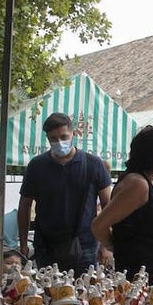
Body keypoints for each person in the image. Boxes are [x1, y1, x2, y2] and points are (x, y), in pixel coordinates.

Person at [19, 113, 113, 273]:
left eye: (63, 137)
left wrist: (106, 244)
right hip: (46, 246)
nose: (59, 142)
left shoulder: (93, 164)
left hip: (85, 245)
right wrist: (23, 244)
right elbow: (24, 206)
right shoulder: (37, 165)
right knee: (47, 288)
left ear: (73, 134)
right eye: (53, 139)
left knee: (84, 288)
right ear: (48, 139)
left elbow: (108, 206)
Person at [92, 126, 153, 278]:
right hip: (138, 273)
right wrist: (115, 247)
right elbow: (99, 226)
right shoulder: (137, 184)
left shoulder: (152, 180)